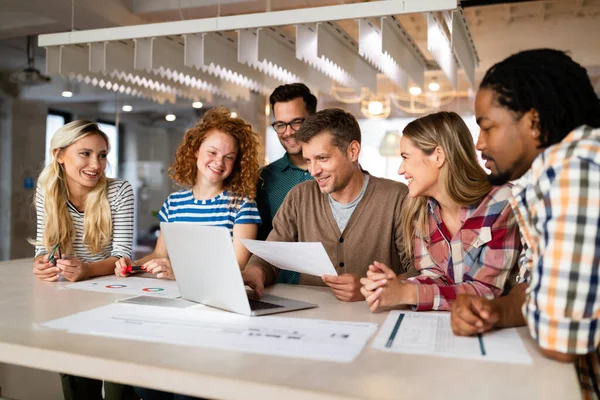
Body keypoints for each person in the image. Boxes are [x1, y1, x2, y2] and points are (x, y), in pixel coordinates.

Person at [449, 49, 600, 397]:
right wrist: (494, 311)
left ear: (533, 122)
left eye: (487, 127)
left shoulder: (574, 172)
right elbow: (534, 284)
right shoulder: (552, 177)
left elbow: (559, 340)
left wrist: (523, 304)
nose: (480, 144)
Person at [242, 108, 410, 302]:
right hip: (312, 319)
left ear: (352, 151)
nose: (313, 171)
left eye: (322, 158)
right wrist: (255, 272)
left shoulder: (397, 197)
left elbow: (420, 271)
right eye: (308, 160)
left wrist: (368, 288)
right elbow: (271, 255)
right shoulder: (300, 196)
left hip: (377, 320)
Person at [359, 112, 521, 312]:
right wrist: (393, 287)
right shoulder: (421, 210)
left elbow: (486, 291)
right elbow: (436, 277)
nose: (401, 170)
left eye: (406, 157)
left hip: (500, 332)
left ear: (438, 155)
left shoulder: (501, 201)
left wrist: (408, 293)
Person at [31, 120, 136, 400]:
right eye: (85, 153)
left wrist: (88, 269)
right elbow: (44, 247)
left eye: (102, 155)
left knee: (118, 386)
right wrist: (41, 263)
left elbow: (123, 256)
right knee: (77, 383)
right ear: (59, 155)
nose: (97, 164)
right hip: (68, 301)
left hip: (114, 300)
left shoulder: (119, 191)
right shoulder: (47, 191)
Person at [115, 107, 261, 279]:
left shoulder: (242, 205)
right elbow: (159, 256)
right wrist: (133, 265)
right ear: (196, 150)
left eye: (229, 157)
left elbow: (237, 268)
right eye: (212, 152)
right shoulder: (174, 203)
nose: (219, 162)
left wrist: (180, 273)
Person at [256, 83, 317, 283]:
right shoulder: (264, 179)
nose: (288, 132)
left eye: (297, 122)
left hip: (329, 292)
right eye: (280, 124)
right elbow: (260, 241)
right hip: (278, 291)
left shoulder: (335, 175)